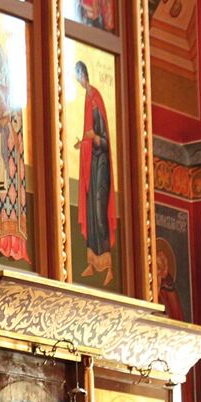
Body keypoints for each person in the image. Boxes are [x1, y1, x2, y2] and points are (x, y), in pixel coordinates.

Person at [0, 28, 30, 262]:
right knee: (2, 190)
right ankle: (4, 242)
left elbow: (16, 106)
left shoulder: (10, 74)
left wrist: (7, 117)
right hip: (0, 139)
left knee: (13, 188)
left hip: (12, 141)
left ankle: (17, 245)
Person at [75, 61, 117, 285]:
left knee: (100, 212)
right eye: (77, 77)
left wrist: (94, 138)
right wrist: (83, 143)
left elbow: (104, 141)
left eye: (80, 75)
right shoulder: (86, 98)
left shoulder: (96, 98)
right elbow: (89, 136)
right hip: (92, 165)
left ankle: (108, 267)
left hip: (102, 165)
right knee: (91, 211)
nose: (79, 80)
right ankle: (92, 262)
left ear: (85, 74)